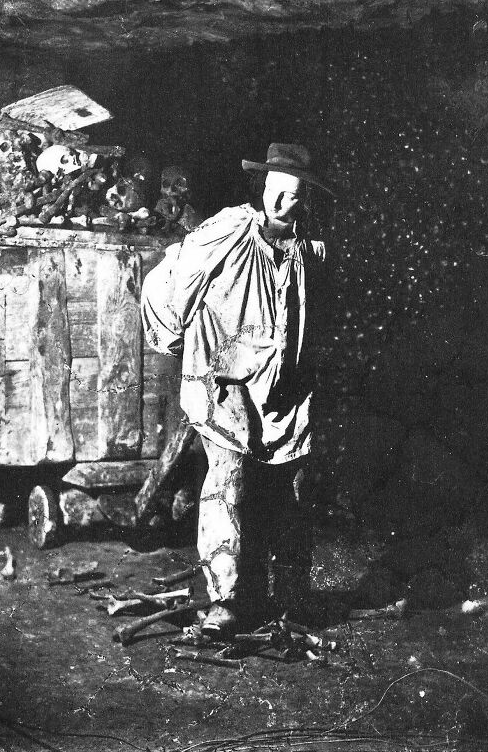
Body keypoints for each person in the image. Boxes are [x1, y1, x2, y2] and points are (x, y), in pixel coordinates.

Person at [141, 143, 332, 637]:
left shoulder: (310, 251)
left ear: (304, 199)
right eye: (276, 191)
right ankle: (225, 599)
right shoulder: (228, 232)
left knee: (290, 489)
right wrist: (181, 335)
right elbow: (176, 278)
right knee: (226, 481)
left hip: (282, 387)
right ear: (262, 189)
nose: (282, 203)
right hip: (224, 381)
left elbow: (312, 320)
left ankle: (289, 594)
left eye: (293, 196)